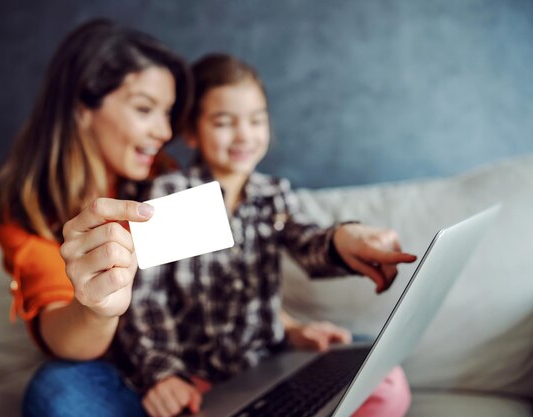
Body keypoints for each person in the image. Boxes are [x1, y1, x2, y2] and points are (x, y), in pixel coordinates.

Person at [115, 53, 417, 417]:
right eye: (224, 122)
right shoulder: (176, 193)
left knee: (387, 382)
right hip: (202, 376)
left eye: (256, 120)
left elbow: (309, 243)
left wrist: (343, 240)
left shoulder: (271, 193)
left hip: (267, 365)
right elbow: (147, 300)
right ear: (193, 132)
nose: (244, 135)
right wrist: (164, 375)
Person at [0, 18, 192, 416]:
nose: (164, 131)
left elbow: (223, 270)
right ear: (82, 107)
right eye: (145, 109)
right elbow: (65, 339)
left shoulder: (162, 173)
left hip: (191, 358)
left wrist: (289, 324)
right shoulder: (24, 208)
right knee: (58, 388)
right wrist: (98, 307)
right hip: (117, 373)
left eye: (168, 112)